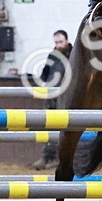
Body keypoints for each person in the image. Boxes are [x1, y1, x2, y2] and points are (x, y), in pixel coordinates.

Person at [31, 30, 72, 170]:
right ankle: (46, 157)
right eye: (56, 42)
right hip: (51, 96)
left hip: (66, 96)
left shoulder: (74, 55)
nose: (58, 45)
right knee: (49, 126)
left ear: (67, 40)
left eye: (60, 42)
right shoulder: (52, 56)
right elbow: (44, 75)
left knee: (64, 128)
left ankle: (59, 158)